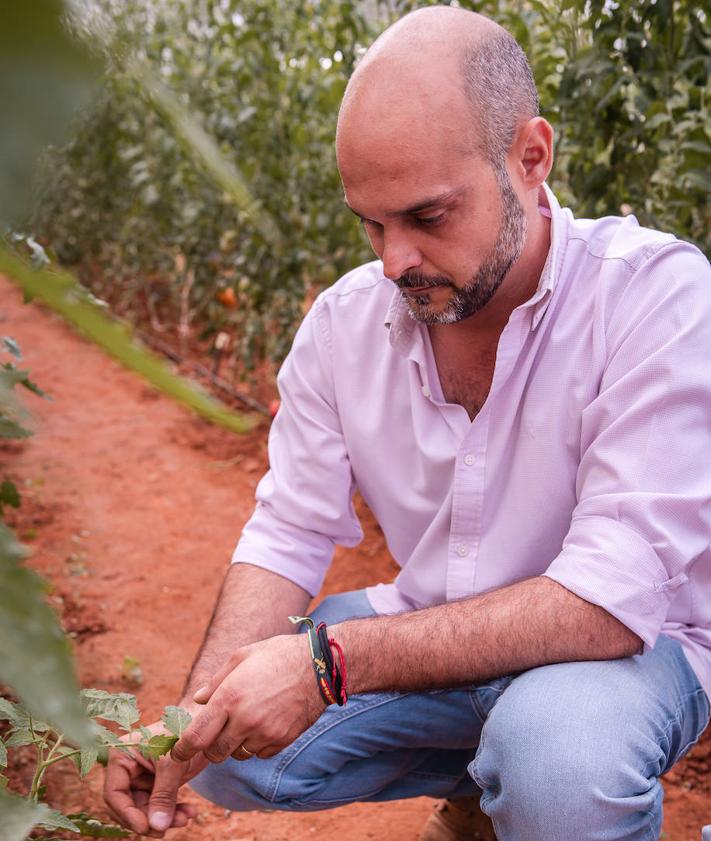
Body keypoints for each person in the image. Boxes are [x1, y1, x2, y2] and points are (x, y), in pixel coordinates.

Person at [103, 6, 711, 840]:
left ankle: (526, 778)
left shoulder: (654, 296)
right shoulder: (344, 325)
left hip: (619, 658)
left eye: (426, 217)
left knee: (562, 759)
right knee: (228, 740)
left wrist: (328, 664)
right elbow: (287, 530)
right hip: (436, 634)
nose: (394, 261)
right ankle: (491, 786)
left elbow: (607, 601)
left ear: (530, 157)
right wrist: (186, 718)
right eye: (371, 222)